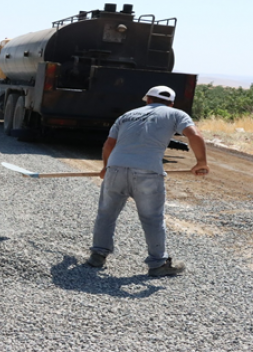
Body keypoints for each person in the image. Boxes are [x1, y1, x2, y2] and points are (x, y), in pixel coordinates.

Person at [87, 85, 209, 276]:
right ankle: (158, 264)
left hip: (116, 169)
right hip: (148, 172)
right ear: (171, 103)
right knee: (152, 218)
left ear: (149, 100)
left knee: (106, 213)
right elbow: (194, 135)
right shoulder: (175, 114)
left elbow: (110, 144)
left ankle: (98, 255)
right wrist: (201, 162)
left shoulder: (127, 115)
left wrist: (106, 167)